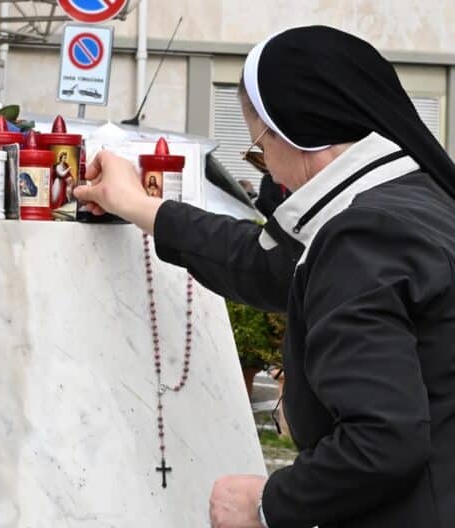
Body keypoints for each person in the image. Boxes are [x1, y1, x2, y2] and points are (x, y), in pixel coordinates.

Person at [75, 25, 455, 528]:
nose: (266, 171)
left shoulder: (363, 236)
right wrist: (140, 206)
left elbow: (384, 441)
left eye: (258, 148)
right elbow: (265, 263)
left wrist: (267, 505)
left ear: (295, 133)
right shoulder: (421, 203)